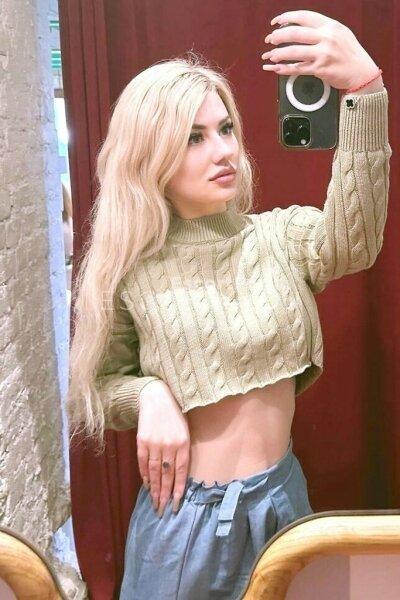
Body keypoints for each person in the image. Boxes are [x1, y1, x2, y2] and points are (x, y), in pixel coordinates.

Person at [67, 9, 392, 599]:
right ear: (149, 156)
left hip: (284, 502)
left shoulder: (277, 238)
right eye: (194, 137)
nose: (223, 151)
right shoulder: (129, 269)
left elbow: (356, 240)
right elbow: (98, 388)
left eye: (225, 129)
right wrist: (149, 395)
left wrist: (365, 91)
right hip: (184, 524)